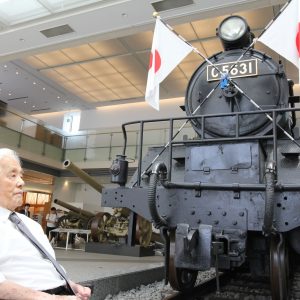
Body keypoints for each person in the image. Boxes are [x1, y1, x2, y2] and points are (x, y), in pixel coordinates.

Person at [0, 148, 91, 300]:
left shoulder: (31, 225)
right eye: (12, 175)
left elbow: (43, 267)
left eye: (21, 175)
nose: (21, 182)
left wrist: (71, 285)